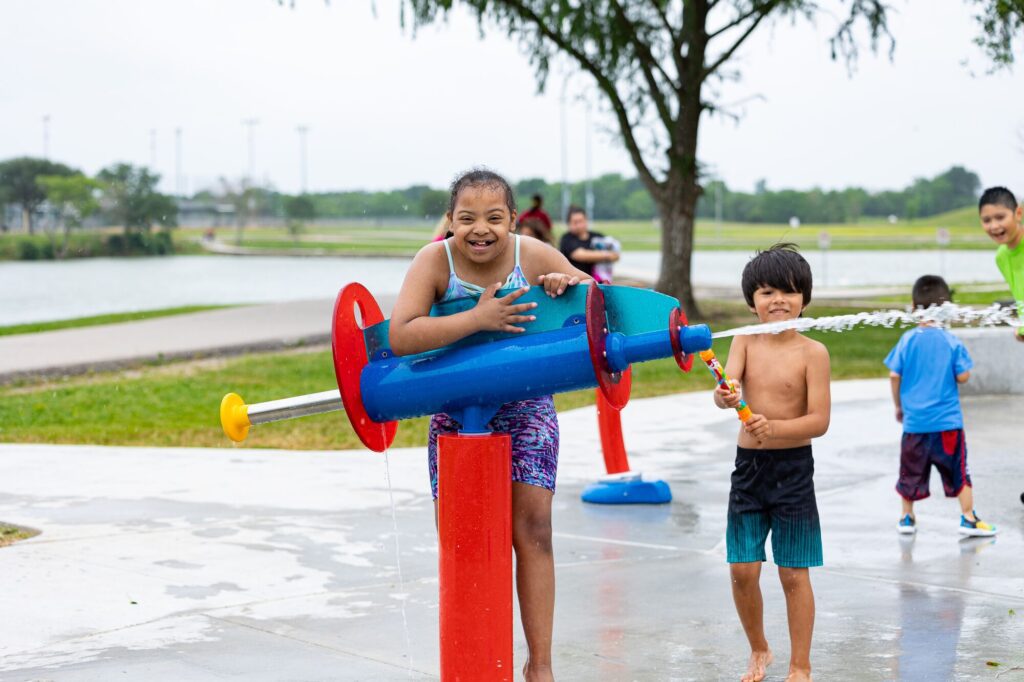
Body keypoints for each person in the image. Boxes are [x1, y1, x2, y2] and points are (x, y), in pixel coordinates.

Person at [389, 169, 591, 682]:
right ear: (450, 222)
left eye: (494, 218)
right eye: (467, 218)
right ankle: (474, 655)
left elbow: (595, 302)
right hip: (455, 410)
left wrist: (565, 284)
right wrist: (477, 319)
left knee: (534, 531)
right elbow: (402, 335)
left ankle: (539, 665)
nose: (481, 229)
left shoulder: (534, 255)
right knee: (464, 540)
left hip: (526, 406)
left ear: (513, 220)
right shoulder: (434, 260)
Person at [712, 243, 830, 682]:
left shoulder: (812, 353)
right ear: (752, 302)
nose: (778, 300)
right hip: (749, 471)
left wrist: (775, 429)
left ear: (804, 298)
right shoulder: (744, 340)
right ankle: (759, 649)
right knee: (742, 569)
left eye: (788, 291)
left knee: (793, 574)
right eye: (766, 292)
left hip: (793, 471)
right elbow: (728, 387)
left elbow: (819, 421)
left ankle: (801, 665)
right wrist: (725, 396)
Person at [885, 275, 998, 538]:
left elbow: (894, 375)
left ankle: (906, 517)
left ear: (914, 306)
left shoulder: (907, 340)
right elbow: (963, 376)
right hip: (947, 424)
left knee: (909, 473)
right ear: (947, 308)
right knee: (959, 472)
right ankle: (968, 517)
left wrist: (899, 406)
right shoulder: (951, 341)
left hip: (915, 424)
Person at [978, 186, 1024, 341]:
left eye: (1000, 217)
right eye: (987, 220)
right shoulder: (1001, 256)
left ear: (1018, 213)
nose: (994, 226)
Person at [558, 205, 619, 279]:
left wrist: (611, 255)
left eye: (581, 221)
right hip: (576, 281)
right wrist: (607, 255)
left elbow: (616, 255)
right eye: (575, 222)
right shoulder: (567, 238)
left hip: (599, 281)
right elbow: (579, 255)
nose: (579, 225)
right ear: (569, 224)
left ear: (586, 220)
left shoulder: (597, 236)